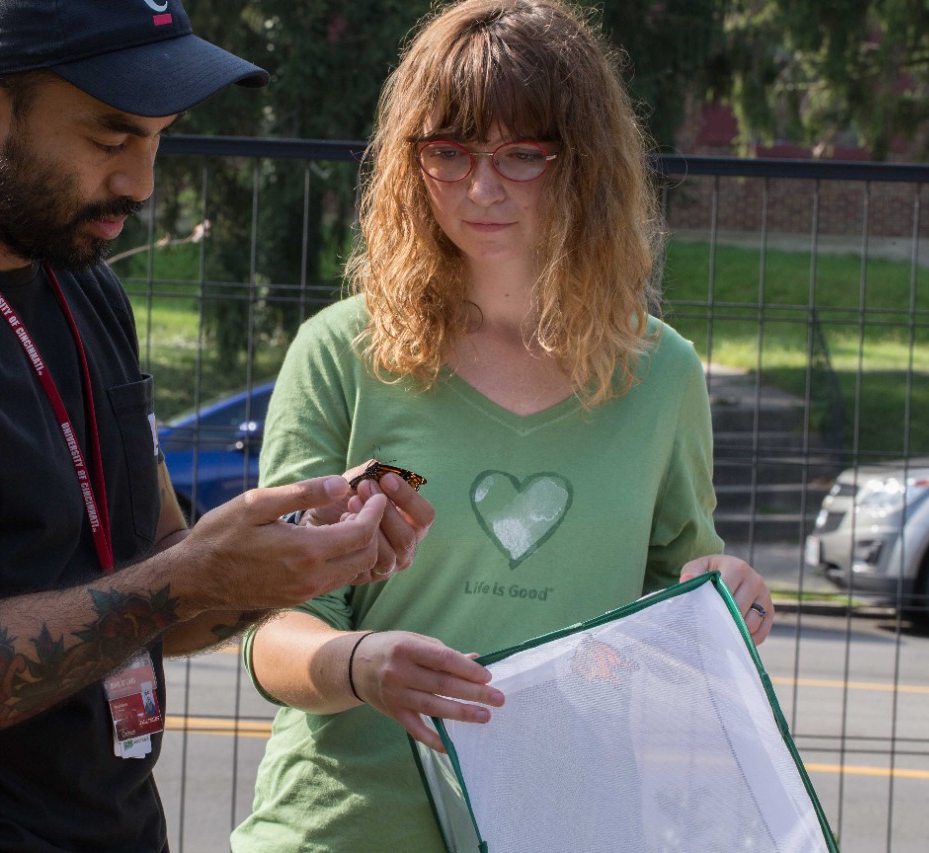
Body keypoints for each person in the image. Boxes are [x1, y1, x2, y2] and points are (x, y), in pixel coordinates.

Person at [0, 1, 433, 850]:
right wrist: (192, 578)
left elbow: (159, 590)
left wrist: (294, 551)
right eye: (110, 139)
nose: (142, 182)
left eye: (159, 137)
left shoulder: (80, 280)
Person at [230, 1, 776, 850]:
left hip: (561, 825)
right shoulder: (339, 353)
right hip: (345, 826)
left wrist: (725, 589)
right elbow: (273, 638)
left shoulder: (663, 374)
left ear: (585, 166)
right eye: (449, 151)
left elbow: (681, 607)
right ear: (410, 161)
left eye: (522, 154)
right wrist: (360, 663)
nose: (481, 187)